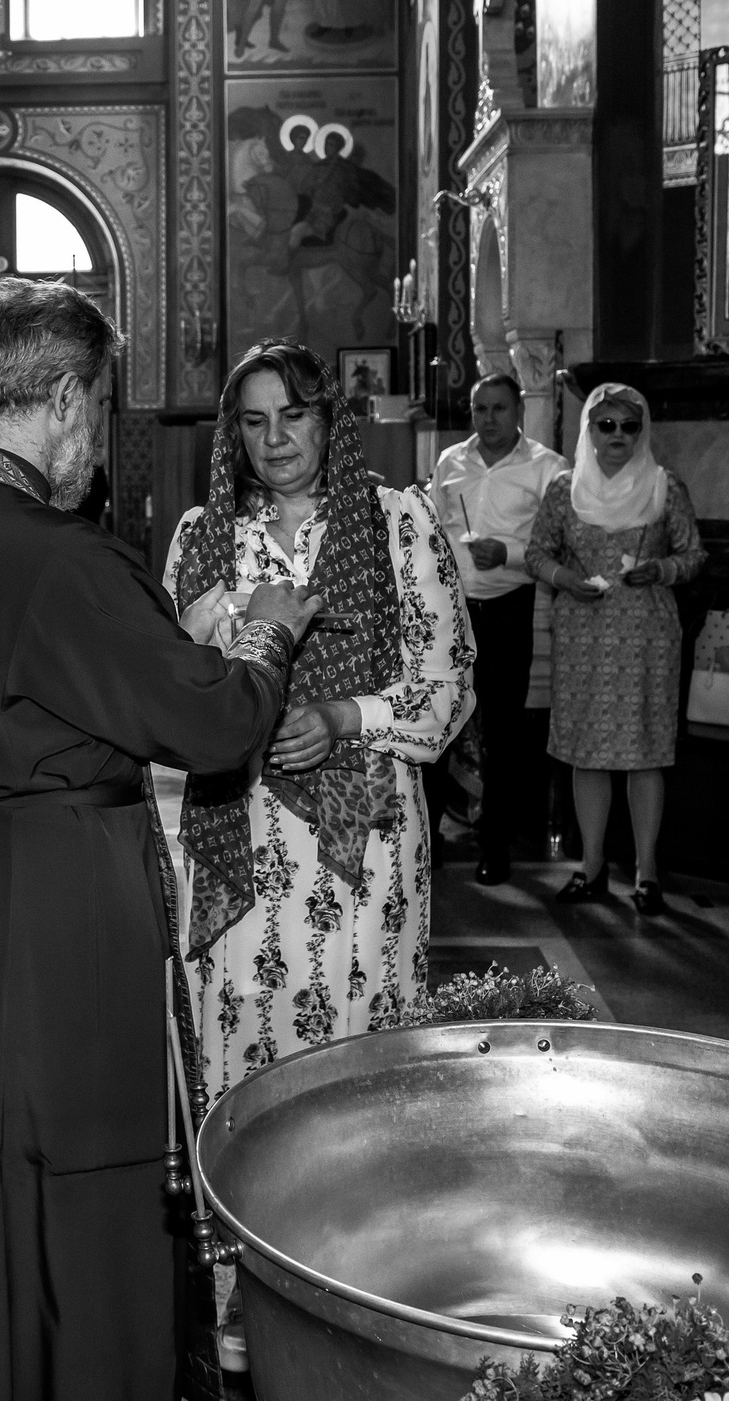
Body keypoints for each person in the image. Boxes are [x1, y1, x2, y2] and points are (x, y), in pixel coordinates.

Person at [0, 278, 318, 1400]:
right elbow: (211, 722)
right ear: (63, 398)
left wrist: (157, 640)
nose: (96, 442)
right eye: (98, 411)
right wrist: (263, 636)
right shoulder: (53, 553)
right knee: (69, 1180)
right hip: (42, 909)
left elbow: (29, 681)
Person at [166, 340, 473, 1098]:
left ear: (328, 419)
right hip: (239, 828)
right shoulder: (204, 535)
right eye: (255, 421)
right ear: (233, 432)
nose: (275, 440)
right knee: (242, 1028)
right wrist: (203, 632)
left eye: (293, 416)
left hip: (364, 834)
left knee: (355, 1031)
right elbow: (168, 693)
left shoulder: (397, 522)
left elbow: (449, 684)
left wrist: (343, 714)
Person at [526, 383, 707, 915]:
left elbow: (694, 553)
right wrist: (565, 577)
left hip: (647, 637)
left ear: (642, 431)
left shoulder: (663, 487)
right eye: (606, 425)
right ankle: (592, 866)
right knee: (587, 753)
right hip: (583, 634)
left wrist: (664, 569)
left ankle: (647, 872)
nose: (619, 436)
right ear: (588, 429)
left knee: (645, 752)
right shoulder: (565, 489)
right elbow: (536, 553)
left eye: (630, 426)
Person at [430, 373, 567, 885]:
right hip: (451, 606)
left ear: (520, 412)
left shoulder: (548, 469)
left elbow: (558, 546)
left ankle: (495, 844)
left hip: (510, 604)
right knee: (439, 721)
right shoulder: (450, 462)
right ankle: (431, 840)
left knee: (502, 732)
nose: (489, 419)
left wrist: (507, 553)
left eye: (499, 409)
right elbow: (435, 529)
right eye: (480, 409)